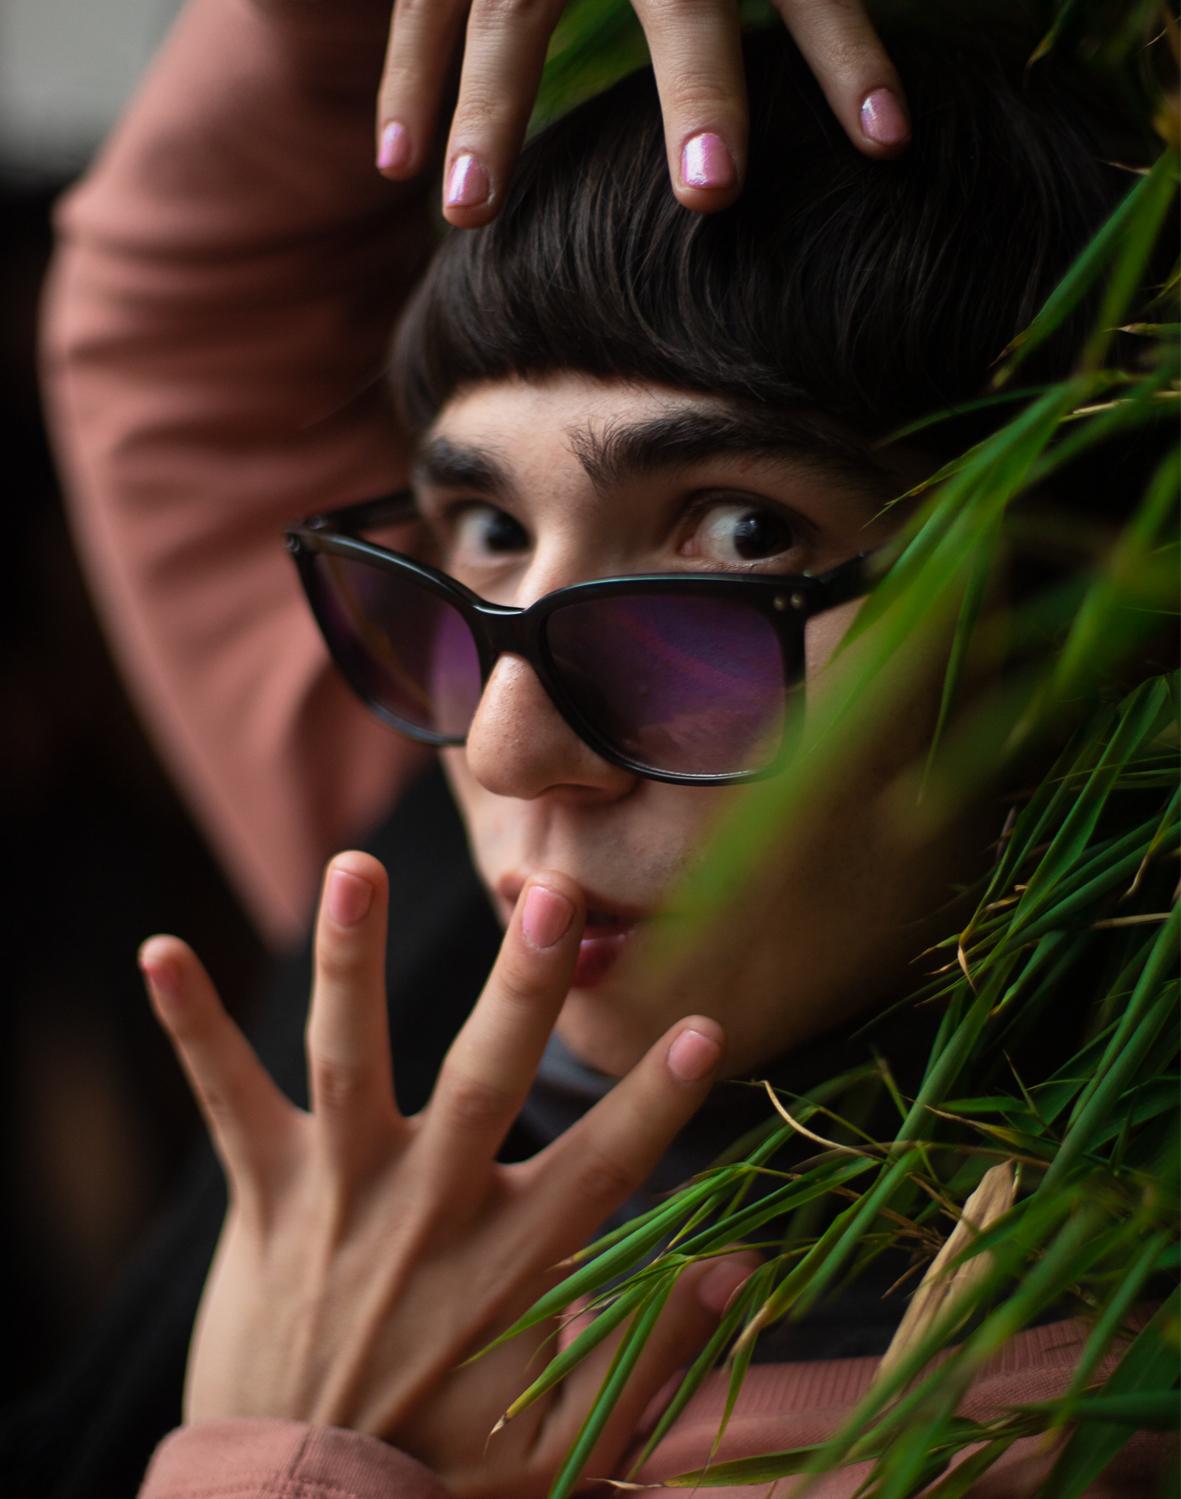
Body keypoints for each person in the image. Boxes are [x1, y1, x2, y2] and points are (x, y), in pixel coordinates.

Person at [29, 1, 1168, 1495]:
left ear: (1085, 623)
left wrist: (294, 1452)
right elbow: (188, 311)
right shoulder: (418, 882)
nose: (508, 746)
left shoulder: (1047, 1434)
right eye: (488, 527)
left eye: (742, 537)